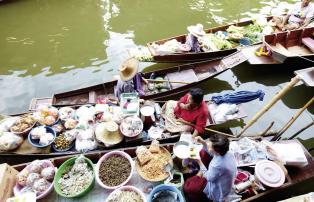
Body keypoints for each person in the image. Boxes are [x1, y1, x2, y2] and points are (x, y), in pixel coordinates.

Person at [183, 134, 237, 202]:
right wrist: (203, 142)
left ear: (217, 150)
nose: (208, 144)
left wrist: (199, 161)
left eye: (210, 146)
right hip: (219, 175)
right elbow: (212, 153)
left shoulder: (217, 165)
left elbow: (208, 177)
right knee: (203, 152)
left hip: (218, 189)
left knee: (188, 187)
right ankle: (200, 171)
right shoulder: (227, 152)